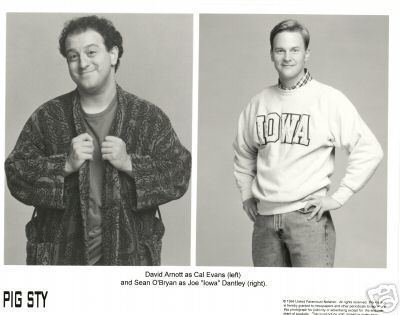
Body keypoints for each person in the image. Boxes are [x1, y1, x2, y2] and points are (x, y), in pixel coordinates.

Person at [5, 15, 191, 266]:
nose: (82, 63)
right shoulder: (48, 117)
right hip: (60, 262)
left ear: (113, 54)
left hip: (129, 264)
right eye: (73, 56)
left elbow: (179, 172)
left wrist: (130, 164)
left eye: (91, 52)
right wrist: (64, 165)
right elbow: (16, 173)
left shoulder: (147, 118)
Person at [233, 19, 383, 267]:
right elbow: (243, 152)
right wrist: (247, 193)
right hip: (264, 222)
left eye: (295, 50)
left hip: (307, 219)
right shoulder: (258, 103)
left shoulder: (328, 99)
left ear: (306, 54)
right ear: (271, 54)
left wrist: (339, 197)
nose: (287, 57)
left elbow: (370, 150)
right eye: (280, 50)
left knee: (310, 302)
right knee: (266, 304)